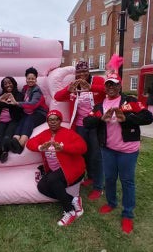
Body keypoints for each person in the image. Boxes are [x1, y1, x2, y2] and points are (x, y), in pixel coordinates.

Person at [83, 71, 153, 234]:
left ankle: (127, 214)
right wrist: (100, 119)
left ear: (120, 86)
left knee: (127, 181)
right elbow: (87, 122)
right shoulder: (100, 105)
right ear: (105, 87)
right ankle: (111, 203)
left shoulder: (129, 101)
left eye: (114, 84)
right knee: (109, 178)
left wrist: (127, 118)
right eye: (108, 84)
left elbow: (148, 117)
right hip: (108, 149)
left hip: (128, 151)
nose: (110, 87)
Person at [54, 60, 105, 200]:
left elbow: (108, 90)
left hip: (95, 124)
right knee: (84, 153)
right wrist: (68, 89)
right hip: (79, 125)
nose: (82, 74)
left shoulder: (98, 80)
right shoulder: (74, 84)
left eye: (84, 71)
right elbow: (57, 97)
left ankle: (98, 187)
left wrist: (91, 87)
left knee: (96, 156)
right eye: (79, 72)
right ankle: (91, 177)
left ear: (88, 71)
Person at [26, 110, 86, 226]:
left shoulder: (69, 133)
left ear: (60, 121)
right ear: (47, 122)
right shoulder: (44, 134)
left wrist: (64, 148)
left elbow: (83, 147)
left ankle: (69, 211)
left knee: (53, 179)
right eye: (50, 120)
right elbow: (30, 143)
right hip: (56, 172)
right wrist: (40, 147)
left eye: (56, 119)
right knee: (42, 186)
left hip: (73, 170)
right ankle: (73, 199)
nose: (53, 122)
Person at [9, 67, 49, 153]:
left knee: (28, 121)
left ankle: (20, 145)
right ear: (26, 79)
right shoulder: (25, 88)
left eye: (33, 78)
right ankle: (14, 142)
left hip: (39, 113)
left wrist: (17, 103)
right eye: (29, 78)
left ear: (36, 79)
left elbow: (33, 104)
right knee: (21, 122)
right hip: (29, 112)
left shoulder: (36, 90)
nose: (31, 80)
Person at [0, 76, 25, 162]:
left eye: (9, 83)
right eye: (5, 84)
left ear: (13, 84)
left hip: (13, 120)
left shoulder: (19, 95)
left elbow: (18, 107)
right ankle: (2, 154)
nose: (8, 85)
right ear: (3, 86)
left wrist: (1, 102)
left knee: (7, 137)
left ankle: (1, 152)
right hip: (1, 120)